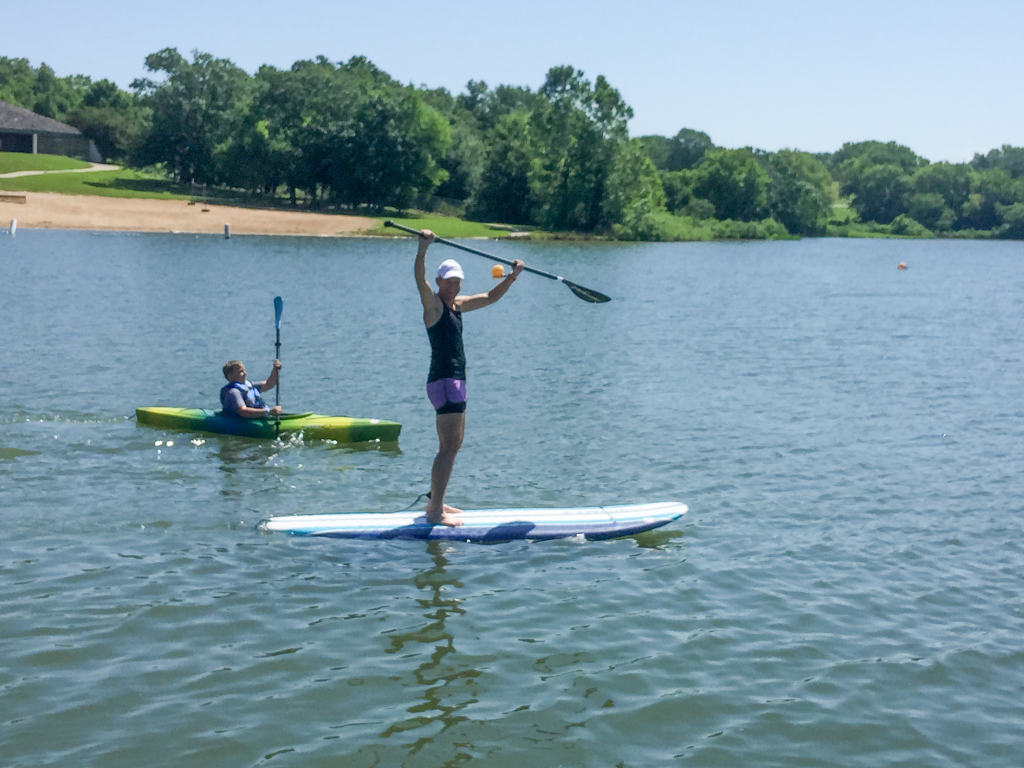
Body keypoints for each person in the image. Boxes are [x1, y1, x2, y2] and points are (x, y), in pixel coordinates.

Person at [414, 229, 525, 526]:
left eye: (458, 281)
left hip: (454, 382)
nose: (454, 285)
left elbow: (490, 297)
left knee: (453, 446)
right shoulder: (434, 306)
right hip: (445, 382)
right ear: (439, 282)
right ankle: (435, 513)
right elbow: (419, 281)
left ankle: (436, 500)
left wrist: (512, 277)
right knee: (448, 447)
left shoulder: (458, 305)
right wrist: (423, 249)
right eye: (449, 281)